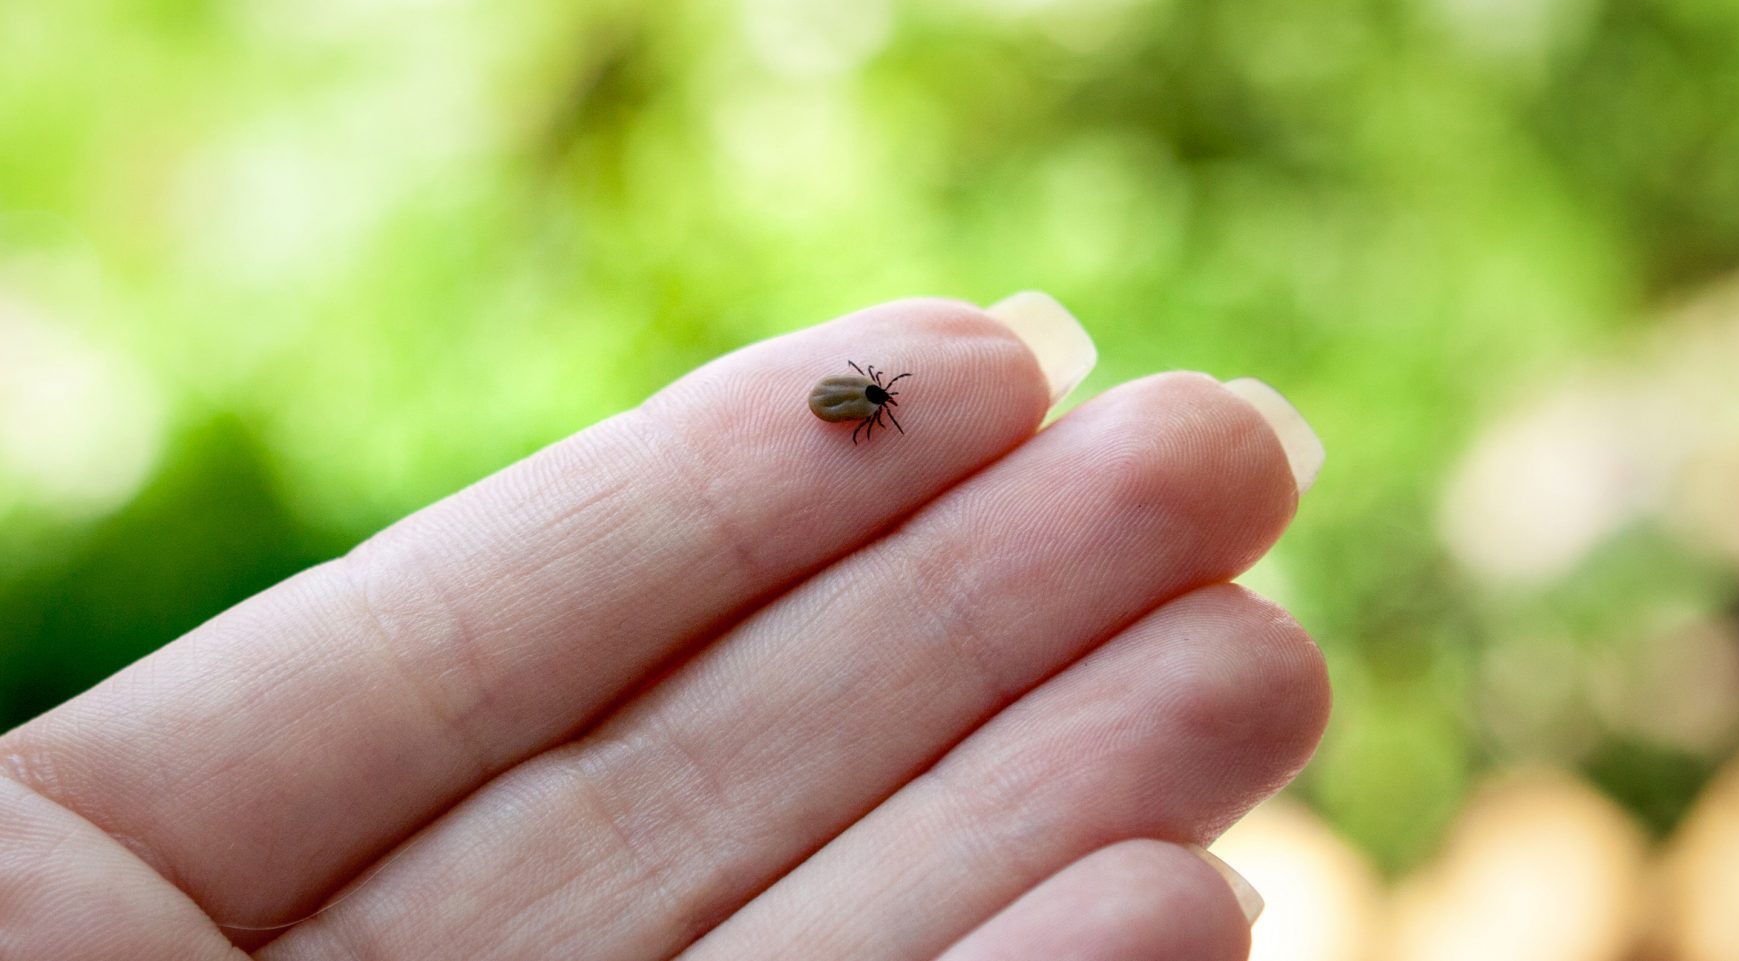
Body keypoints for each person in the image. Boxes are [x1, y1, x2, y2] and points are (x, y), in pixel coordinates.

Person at [0, 294, 1329, 959]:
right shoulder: (864, 404)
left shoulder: (859, 403)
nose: (873, 398)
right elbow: (856, 405)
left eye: (875, 397)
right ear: (871, 398)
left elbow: (854, 405)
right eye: (878, 397)